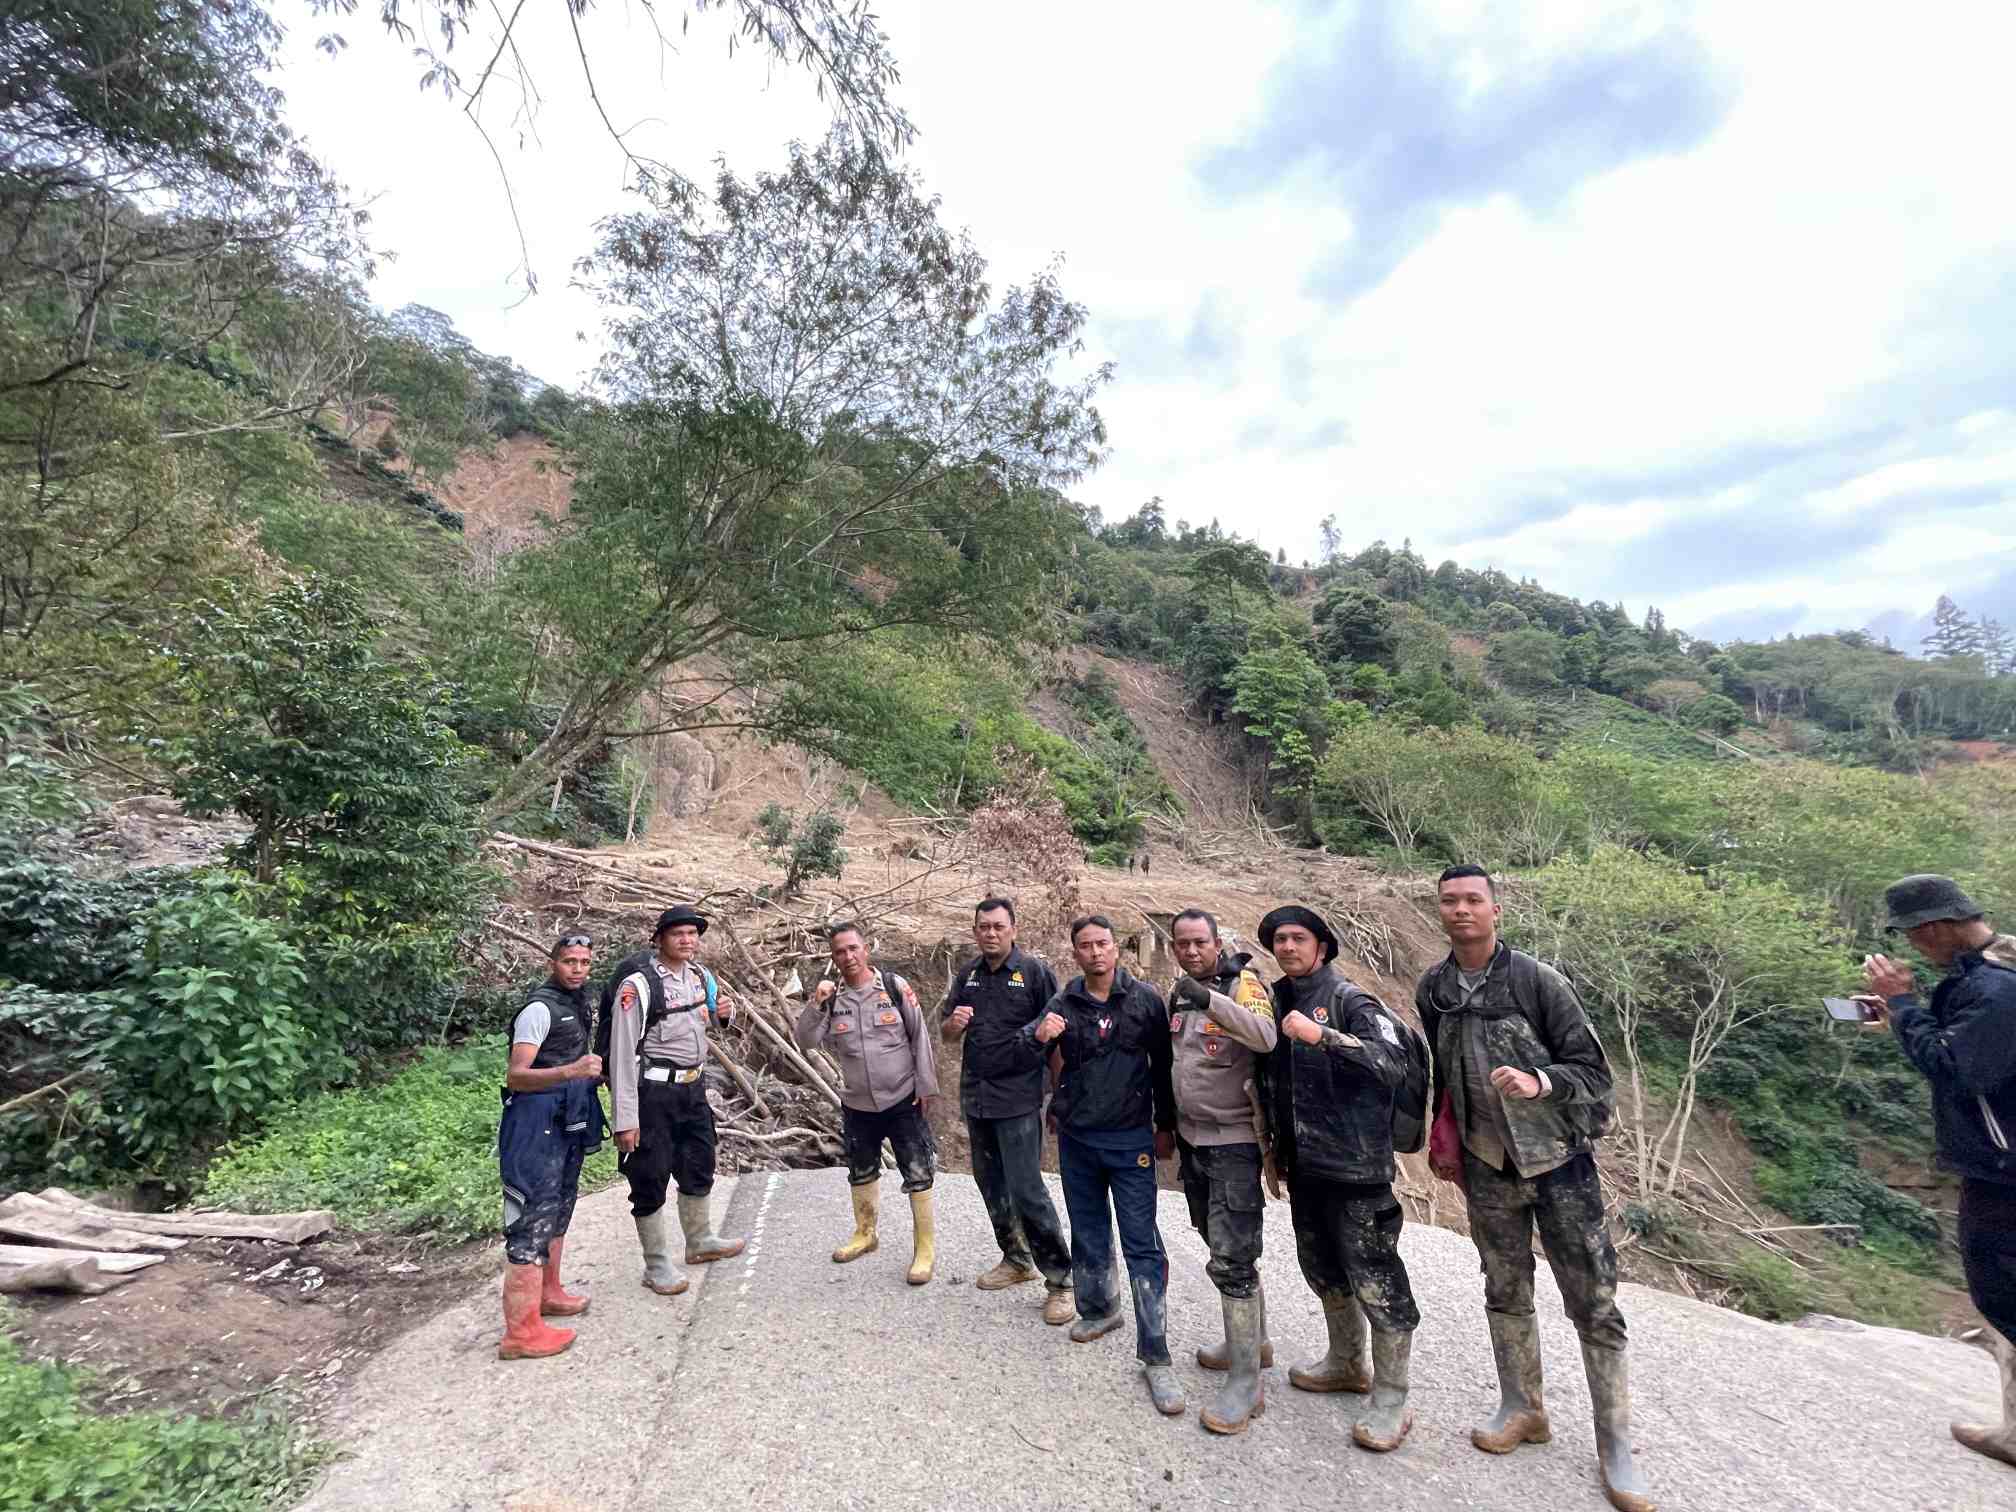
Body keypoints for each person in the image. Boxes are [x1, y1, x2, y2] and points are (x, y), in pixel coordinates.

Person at [1418, 865, 1650, 1512]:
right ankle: (1523, 1408)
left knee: (1594, 1304)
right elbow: (1442, 1073)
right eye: (1449, 901)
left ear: (1496, 908)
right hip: (1487, 1165)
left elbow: (1593, 1070)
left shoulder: (1536, 982)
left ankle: (1615, 1443)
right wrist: (1446, 1139)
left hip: (1559, 1166)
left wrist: (1539, 1083)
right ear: (1439, 910)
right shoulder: (1434, 987)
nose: (1461, 910)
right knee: (1504, 1288)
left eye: (1473, 900)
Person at [1862, 875, 2016, 1471]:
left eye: (1915, 938)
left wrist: (1902, 1004)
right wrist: (1905, 1019)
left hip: (2004, 1169)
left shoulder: (1997, 991)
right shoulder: (1992, 970)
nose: (1915, 949)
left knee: (2001, 1290)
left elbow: (1959, 1069)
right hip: (2002, 1162)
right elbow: (1967, 1045)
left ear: (1933, 928)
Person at [1259, 904, 1420, 1454]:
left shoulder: (1350, 1000)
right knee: (1323, 1269)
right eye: (1278, 939)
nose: (1286, 947)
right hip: (1305, 1166)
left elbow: (1392, 1062)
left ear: (1321, 947)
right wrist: (1274, 1149)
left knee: (1377, 1278)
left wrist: (1323, 1036)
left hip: (1357, 1169)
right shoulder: (1277, 998)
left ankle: (1392, 1395)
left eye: (1297, 938)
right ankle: (1347, 1363)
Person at [1030, 914, 1183, 1414]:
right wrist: (1038, 1036)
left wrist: (1166, 1127)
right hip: (1078, 1139)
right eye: (1085, 946)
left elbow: (1164, 1069)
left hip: (1130, 1138)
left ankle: (1156, 1356)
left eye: (1102, 944)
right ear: (1074, 953)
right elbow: (1028, 1059)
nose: (1095, 953)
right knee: (1089, 1229)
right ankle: (1099, 1309)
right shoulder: (1063, 1002)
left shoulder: (1144, 1002)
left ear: (1117, 949)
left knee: (1142, 1244)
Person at [1167, 907, 1278, 1435]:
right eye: (1181, 944)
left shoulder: (1242, 985)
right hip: (1192, 1139)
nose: (1190, 951)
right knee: (1216, 1243)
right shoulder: (1178, 993)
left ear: (1216, 943)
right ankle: (1253, 1343)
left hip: (1234, 1142)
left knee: (1233, 1258)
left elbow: (1266, 1037)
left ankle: (1245, 1382)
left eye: (1199, 943)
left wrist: (1209, 998)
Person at [940, 897, 1074, 1324]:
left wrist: (1060, 1095)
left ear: (1013, 929)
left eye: (999, 926)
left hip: (1018, 1100)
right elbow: (946, 1034)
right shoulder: (969, 975)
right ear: (976, 931)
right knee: (990, 1183)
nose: (991, 933)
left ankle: (1061, 1281)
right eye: (984, 927)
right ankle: (1016, 1259)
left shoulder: (1034, 974)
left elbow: (1057, 1036)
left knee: (1027, 1189)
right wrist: (953, 1025)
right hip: (976, 1097)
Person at [607, 904, 745, 1299]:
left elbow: (715, 1025)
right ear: (660, 938)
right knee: (649, 1175)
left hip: (692, 1089)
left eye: (692, 934)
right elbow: (621, 1054)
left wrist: (725, 1015)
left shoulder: (700, 977)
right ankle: (656, 1265)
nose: (687, 941)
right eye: (678, 934)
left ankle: (700, 1241)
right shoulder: (639, 986)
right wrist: (625, 1119)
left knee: (700, 1161)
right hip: (652, 1093)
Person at [796, 920, 941, 1285]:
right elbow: (806, 1040)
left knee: (918, 1173)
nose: (847, 957)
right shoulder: (833, 1000)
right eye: (839, 952)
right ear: (834, 958)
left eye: (852, 949)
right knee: (861, 1172)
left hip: (902, 1098)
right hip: (858, 1104)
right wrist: (816, 1003)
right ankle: (866, 1234)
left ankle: (924, 1249)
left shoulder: (894, 987)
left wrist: (926, 1087)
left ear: (866, 950)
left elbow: (919, 1036)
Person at [497, 932, 607, 1360]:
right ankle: (520, 1334)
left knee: (559, 1206)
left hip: (566, 1120)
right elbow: (517, 1076)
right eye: (569, 962)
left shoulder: (575, 1004)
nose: (577, 969)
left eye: (584, 962)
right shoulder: (539, 1008)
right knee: (531, 1218)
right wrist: (571, 1070)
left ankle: (549, 1293)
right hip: (533, 1124)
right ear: (553, 963)